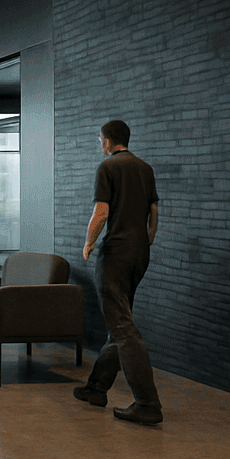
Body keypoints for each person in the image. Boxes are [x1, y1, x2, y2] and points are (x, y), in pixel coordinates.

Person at [73, 120, 163, 424]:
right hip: (139, 253)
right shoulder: (144, 168)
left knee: (122, 327)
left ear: (109, 141)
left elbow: (102, 211)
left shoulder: (108, 168)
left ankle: (147, 403)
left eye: (101, 141)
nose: (101, 146)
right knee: (119, 319)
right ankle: (96, 388)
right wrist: (147, 239)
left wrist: (88, 242)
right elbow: (154, 211)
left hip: (116, 254)